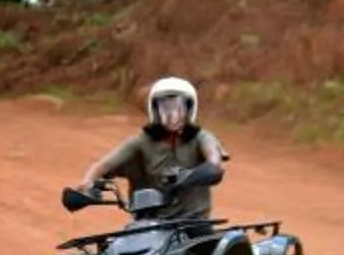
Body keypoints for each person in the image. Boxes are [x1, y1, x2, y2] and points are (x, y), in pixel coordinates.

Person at [65, 76, 226, 220]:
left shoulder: (202, 138)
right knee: (116, 251)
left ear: (190, 109)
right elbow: (102, 165)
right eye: (165, 107)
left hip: (193, 222)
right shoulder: (141, 141)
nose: (172, 114)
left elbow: (214, 163)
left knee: (208, 250)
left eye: (178, 108)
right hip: (149, 224)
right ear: (154, 109)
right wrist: (87, 186)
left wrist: (190, 177)